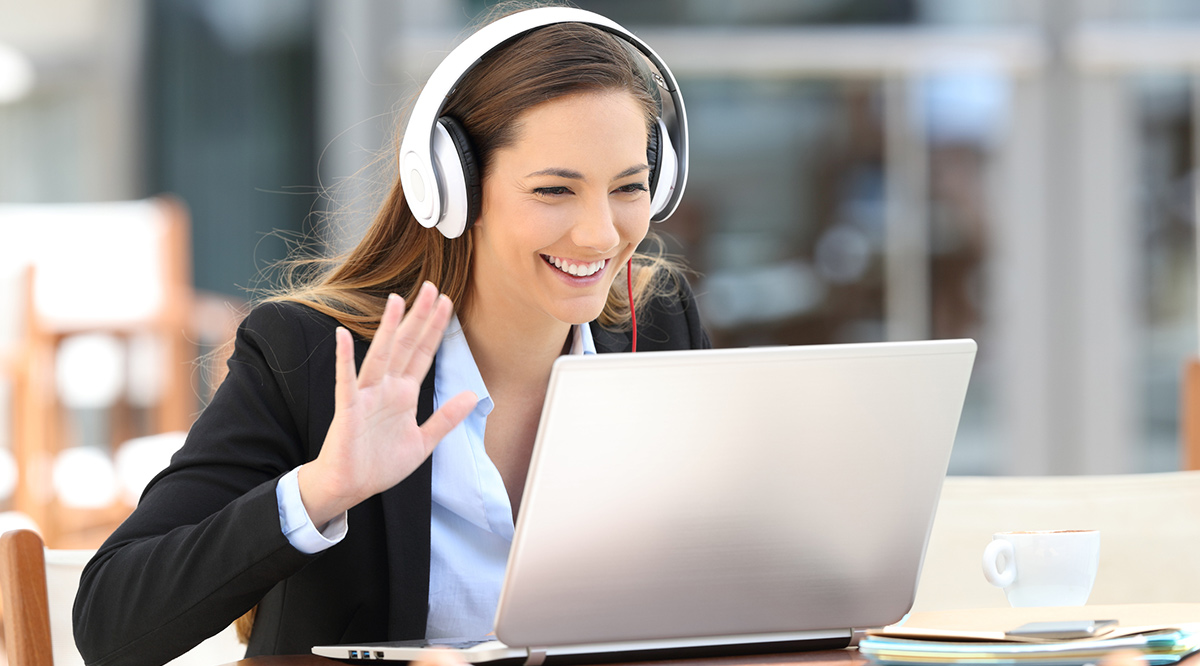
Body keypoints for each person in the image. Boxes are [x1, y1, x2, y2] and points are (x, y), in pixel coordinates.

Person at [72, 4, 709, 665]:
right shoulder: (312, 356)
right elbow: (111, 623)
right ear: (453, 185)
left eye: (629, 187)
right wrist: (323, 489)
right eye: (554, 191)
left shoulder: (655, 325)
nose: (602, 234)